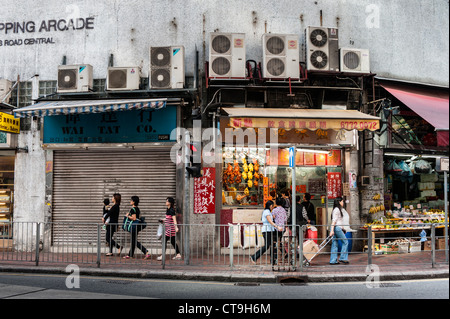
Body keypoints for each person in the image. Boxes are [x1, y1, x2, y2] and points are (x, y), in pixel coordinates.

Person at [250, 200, 283, 265]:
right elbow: (270, 221)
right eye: (272, 206)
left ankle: (274, 260)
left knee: (273, 245)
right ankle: (254, 256)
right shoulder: (266, 212)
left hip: (270, 230)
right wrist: (277, 227)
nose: (273, 207)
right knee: (267, 246)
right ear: (270, 206)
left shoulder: (268, 212)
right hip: (267, 231)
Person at [329, 197, 352, 265]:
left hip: (337, 228)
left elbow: (339, 221)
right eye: (342, 201)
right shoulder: (337, 210)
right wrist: (332, 231)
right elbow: (334, 221)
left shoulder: (337, 209)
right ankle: (343, 258)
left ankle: (333, 260)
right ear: (339, 202)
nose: (343, 203)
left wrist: (343, 229)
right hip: (337, 228)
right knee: (345, 241)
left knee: (334, 244)